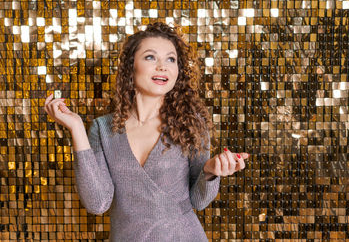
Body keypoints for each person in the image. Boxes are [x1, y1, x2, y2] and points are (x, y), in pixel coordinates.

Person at [44, 22, 249, 241]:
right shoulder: (103, 129)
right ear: (131, 67)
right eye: (151, 57)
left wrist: (209, 171)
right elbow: (98, 203)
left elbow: (199, 201)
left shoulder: (190, 124)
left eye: (171, 59)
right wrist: (77, 129)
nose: (163, 66)